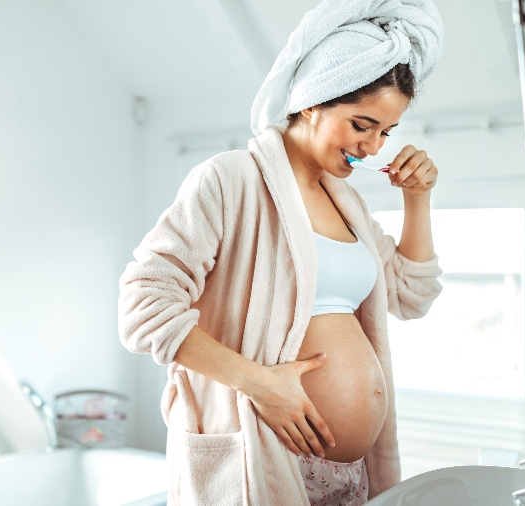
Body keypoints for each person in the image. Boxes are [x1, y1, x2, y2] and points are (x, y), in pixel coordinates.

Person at [118, 0, 444, 504]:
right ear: (313, 100)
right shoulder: (231, 181)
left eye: (386, 132)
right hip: (260, 456)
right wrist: (259, 384)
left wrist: (416, 200)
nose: (375, 147)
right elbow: (143, 306)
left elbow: (411, 295)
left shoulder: (349, 204)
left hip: (349, 475)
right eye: (362, 125)